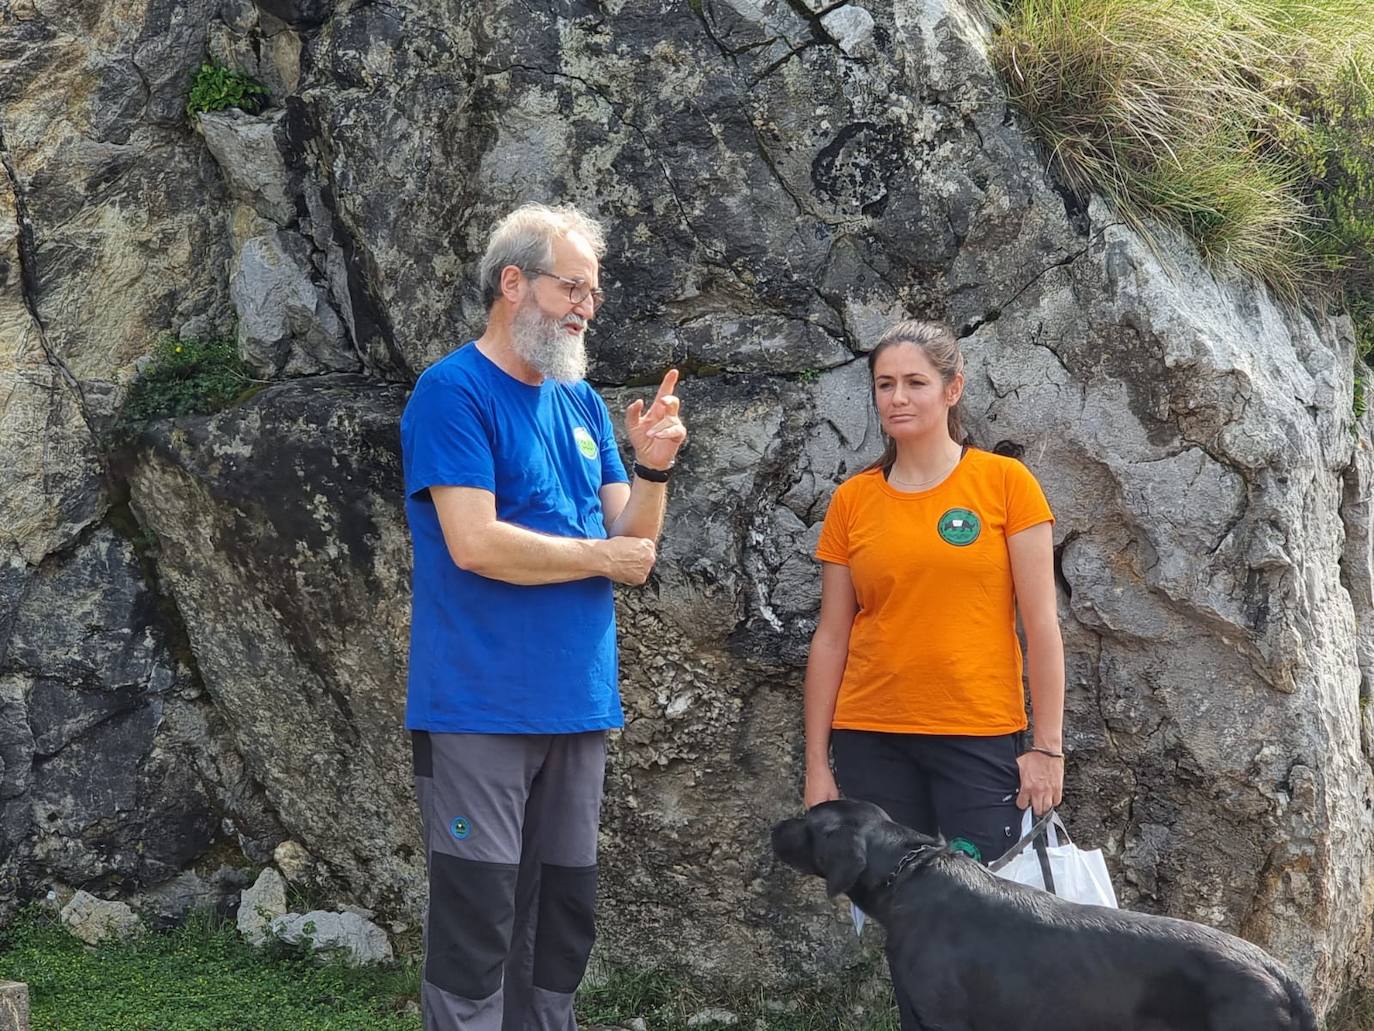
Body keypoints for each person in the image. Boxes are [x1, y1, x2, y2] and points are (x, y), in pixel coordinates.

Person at [400, 202, 686, 1031]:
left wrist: (652, 468)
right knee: (477, 924)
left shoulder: (583, 404)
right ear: (513, 282)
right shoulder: (451, 391)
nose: (585, 307)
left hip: (577, 706)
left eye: (594, 293)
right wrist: (601, 555)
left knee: (561, 922)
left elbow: (633, 546)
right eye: (572, 287)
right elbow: (476, 542)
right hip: (478, 709)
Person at [802, 318, 1065, 868]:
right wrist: (817, 765)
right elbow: (831, 636)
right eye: (884, 383)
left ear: (952, 389)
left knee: (995, 905)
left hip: (978, 731)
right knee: (896, 911)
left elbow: (1040, 624)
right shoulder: (852, 500)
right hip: (871, 736)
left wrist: (1047, 747)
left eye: (915, 382)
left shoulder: (1004, 483)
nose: (897, 397)